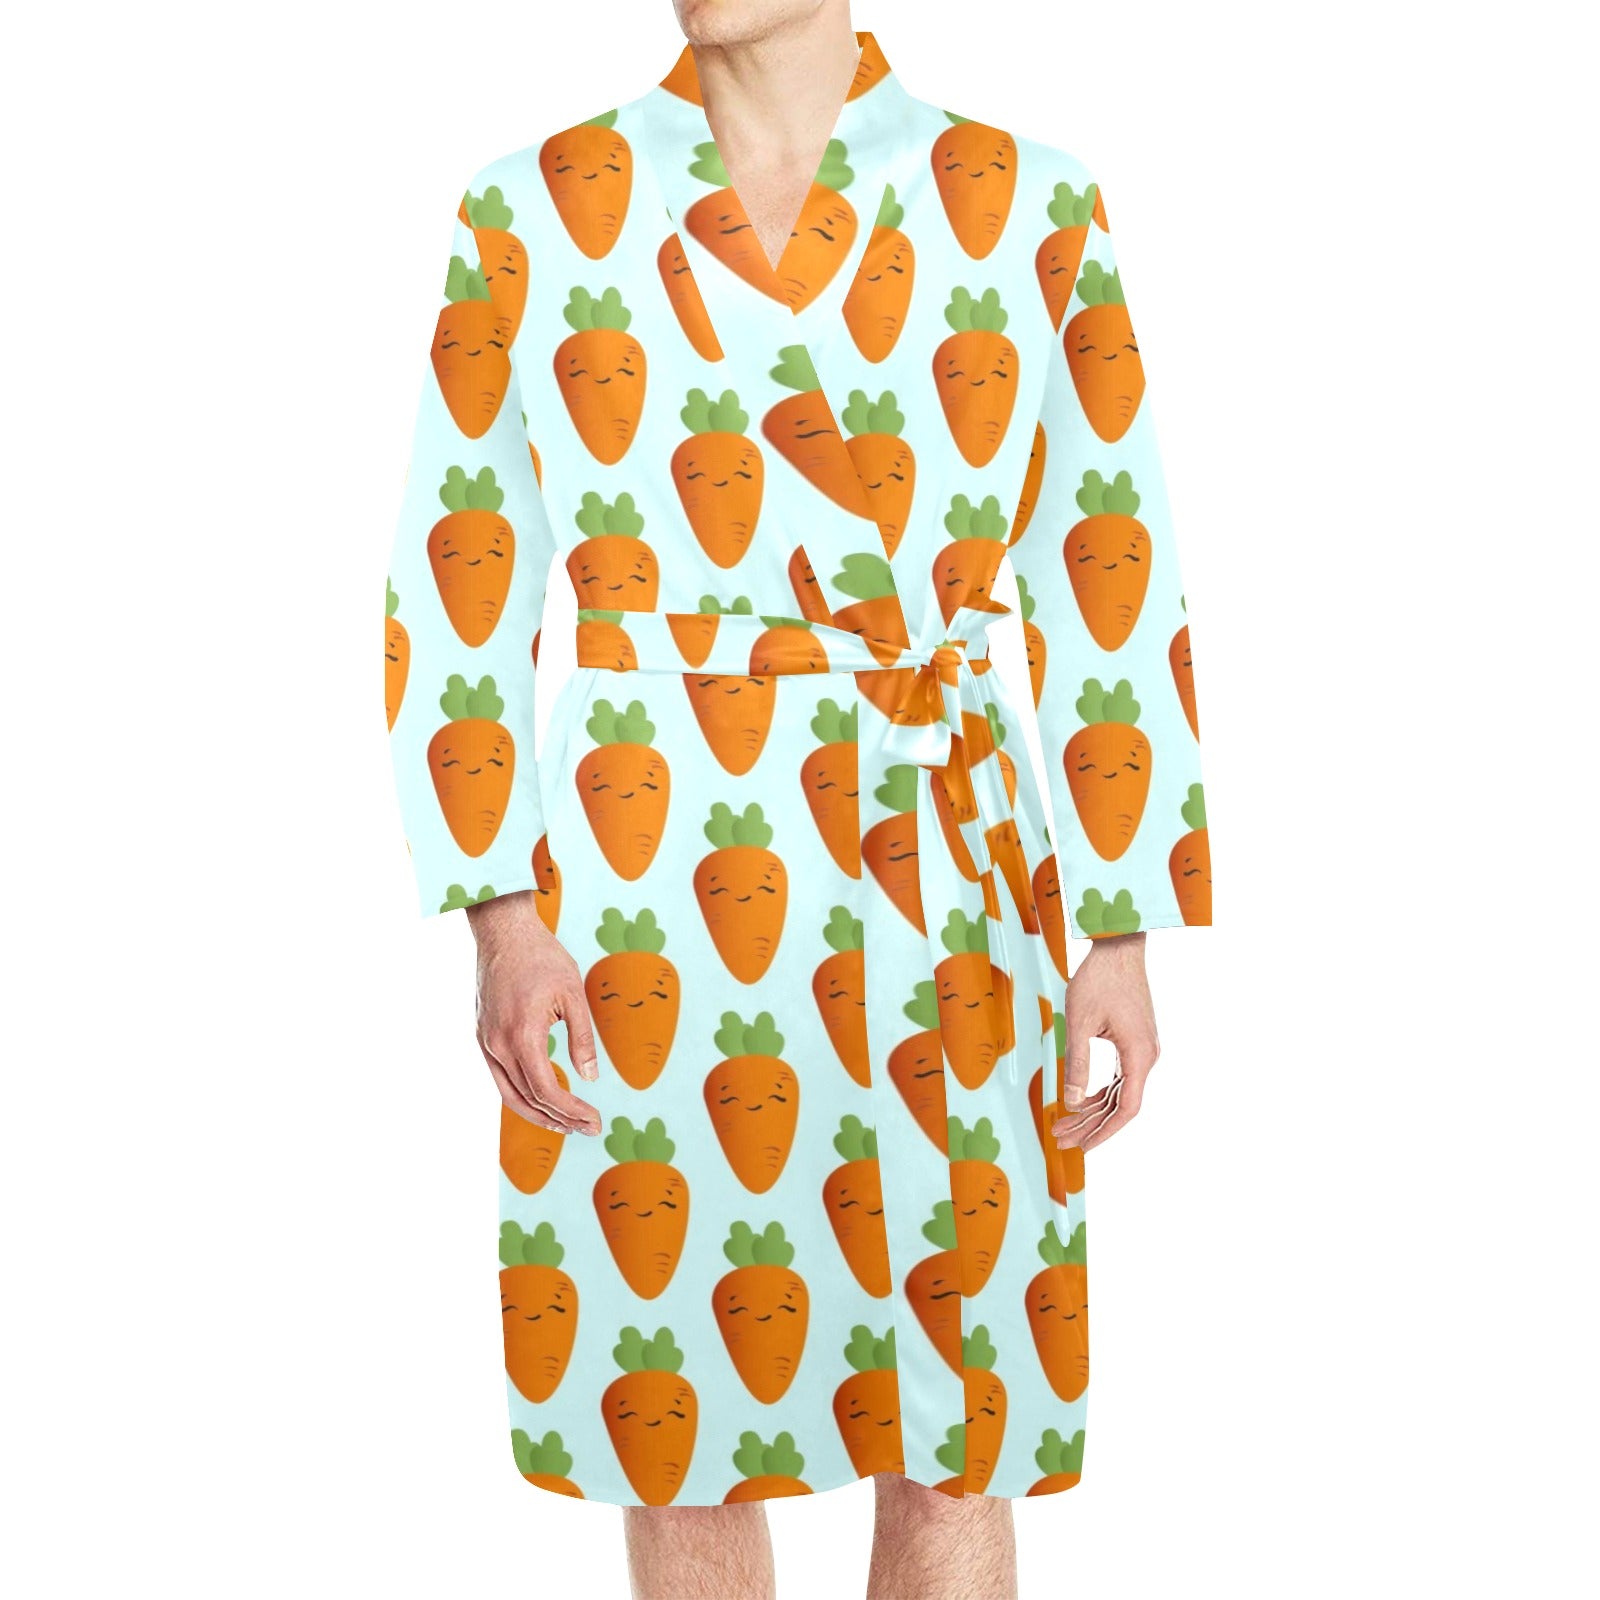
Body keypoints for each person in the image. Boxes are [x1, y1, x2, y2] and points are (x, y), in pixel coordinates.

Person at [384, 2, 1211, 1594]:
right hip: (649, 862)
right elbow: (456, 578)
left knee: (957, 1419)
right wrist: (501, 913)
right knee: (674, 1413)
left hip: (950, 860)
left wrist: (1120, 927)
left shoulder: (1027, 201)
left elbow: (1110, 569)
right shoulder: (535, 207)